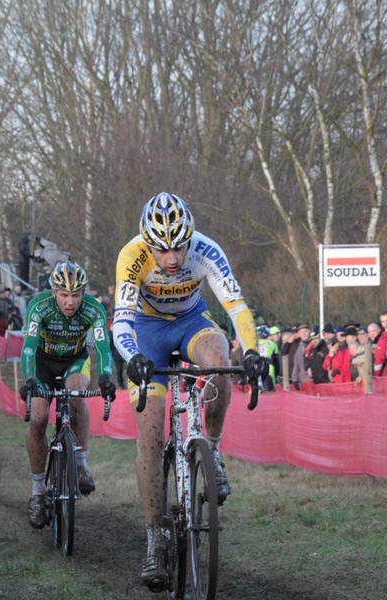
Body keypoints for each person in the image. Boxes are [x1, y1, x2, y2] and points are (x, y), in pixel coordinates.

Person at [112, 192, 266, 592]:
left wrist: (251, 351)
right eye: (162, 250)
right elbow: (121, 323)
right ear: (147, 242)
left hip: (192, 321)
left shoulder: (207, 251)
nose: (173, 259)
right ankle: (155, 540)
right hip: (146, 332)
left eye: (179, 246)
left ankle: (211, 450)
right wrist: (133, 357)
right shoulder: (132, 257)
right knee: (150, 433)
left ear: (190, 238)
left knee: (218, 358)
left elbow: (237, 307)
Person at [19, 260, 116, 530]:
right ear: (53, 292)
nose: (70, 302)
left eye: (76, 295)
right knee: (38, 418)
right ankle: (38, 491)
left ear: (84, 293)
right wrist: (29, 380)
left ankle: (81, 464)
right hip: (42, 363)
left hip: (75, 360)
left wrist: (106, 377)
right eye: (64, 295)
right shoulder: (39, 306)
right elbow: (27, 348)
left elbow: (103, 349)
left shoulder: (93, 309)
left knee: (75, 396)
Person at [257, 325, 279, 391]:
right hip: (268, 368)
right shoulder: (273, 344)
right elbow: (277, 363)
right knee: (269, 392)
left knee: (254, 394)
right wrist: (275, 376)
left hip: (254, 368)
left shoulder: (251, 344)